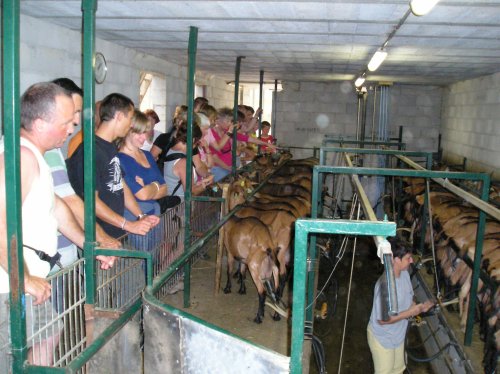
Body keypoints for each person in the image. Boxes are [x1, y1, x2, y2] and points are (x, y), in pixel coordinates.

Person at [0, 82, 88, 368]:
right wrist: (22, 278)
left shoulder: (36, 155)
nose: (70, 129)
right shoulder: (21, 157)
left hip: (25, 282)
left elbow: (56, 206)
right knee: (9, 358)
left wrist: (89, 244)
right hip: (8, 285)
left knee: (49, 334)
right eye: (65, 123)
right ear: (39, 124)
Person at [46, 78, 118, 271]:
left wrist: (93, 243)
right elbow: (70, 202)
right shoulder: (37, 152)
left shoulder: (51, 151)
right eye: (74, 112)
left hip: (58, 259)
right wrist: (101, 239)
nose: (77, 121)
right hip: (44, 268)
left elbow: (62, 208)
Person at [67, 93, 159, 239]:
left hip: (115, 231)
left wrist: (140, 215)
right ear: (120, 116)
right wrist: (128, 224)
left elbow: (120, 184)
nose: (131, 125)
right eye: (130, 119)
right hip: (98, 237)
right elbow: (91, 202)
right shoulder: (90, 151)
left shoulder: (109, 147)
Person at [367, 238, 434, 374]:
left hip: (398, 335)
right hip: (383, 338)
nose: (411, 261)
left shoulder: (404, 274)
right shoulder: (385, 286)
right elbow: (383, 319)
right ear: (396, 260)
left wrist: (419, 307)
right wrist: (410, 312)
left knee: (398, 369)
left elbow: (409, 296)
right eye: (408, 258)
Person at [117, 109, 179, 216]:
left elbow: (165, 189)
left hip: (155, 213)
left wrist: (149, 187)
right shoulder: (119, 159)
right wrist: (155, 185)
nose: (144, 137)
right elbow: (143, 195)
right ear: (127, 131)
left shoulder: (147, 155)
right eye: (139, 133)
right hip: (135, 217)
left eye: (145, 132)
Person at [207, 108, 277, 182]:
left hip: (230, 166)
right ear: (218, 121)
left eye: (230, 121)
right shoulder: (211, 133)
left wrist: (267, 144)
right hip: (219, 168)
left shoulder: (227, 132)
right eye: (228, 121)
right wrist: (227, 167)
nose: (230, 124)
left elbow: (248, 138)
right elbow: (216, 152)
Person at [163, 118, 213, 199]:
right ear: (193, 140)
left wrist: (207, 175)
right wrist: (204, 185)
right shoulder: (183, 162)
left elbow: (199, 166)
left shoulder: (171, 150)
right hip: (179, 205)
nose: (196, 145)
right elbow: (191, 192)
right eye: (197, 143)